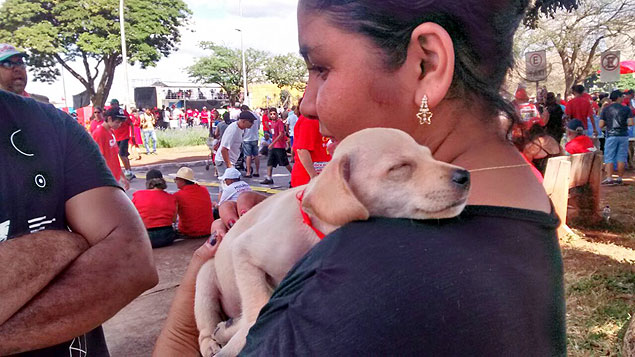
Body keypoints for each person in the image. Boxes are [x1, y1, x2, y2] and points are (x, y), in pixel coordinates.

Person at [157, 0, 565, 355]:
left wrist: (185, 314)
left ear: (427, 65)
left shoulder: (351, 281)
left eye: (320, 68)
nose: (307, 103)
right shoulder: (521, 204)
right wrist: (295, 213)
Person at [0, 90, 157, 355]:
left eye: (18, 60)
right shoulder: (92, 132)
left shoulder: (48, 125)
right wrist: (65, 243)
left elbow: (133, 261)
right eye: (7, 62)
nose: (16, 67)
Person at [132, 169, 177, 248]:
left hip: (147, 238)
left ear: (148, 182)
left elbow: (132, 217)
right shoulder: (171, 197)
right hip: (167, 237)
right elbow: (173, 220)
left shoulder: (138, 195)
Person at [290, 104, 332, 187]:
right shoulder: (309, 120)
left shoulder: (320, 119)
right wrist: (314, 177)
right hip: (308, 180)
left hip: (320, 176)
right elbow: (302, 150)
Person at [91, 107, 131, 190]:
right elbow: (98, 160)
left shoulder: (111, 131)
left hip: (113, 178)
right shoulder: (99, 134)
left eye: (121, 122)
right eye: (117, 122)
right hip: (106, 180)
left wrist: (122, 176)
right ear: (109, 119)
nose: (119, 125)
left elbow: (114, 157)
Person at [600, 90, 634, 185]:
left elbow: (601, 124)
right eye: (622, 96)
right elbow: (631, 123)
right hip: (623, 135)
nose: (623, 98)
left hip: (611, 135)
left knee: (609, 157)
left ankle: (609, 178)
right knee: (621, 157)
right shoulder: (626, 109)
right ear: (618, 97)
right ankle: (620, 178)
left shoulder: (606, 109)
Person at [173, 167, 213, 239]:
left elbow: (173, 218)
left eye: (176, 179)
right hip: (208, 230)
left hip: (189, 232)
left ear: (182, 180)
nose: (175, 182)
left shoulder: (177, 195)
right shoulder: (204, 189)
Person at [214, 111, 255, 180]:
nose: (252, 124)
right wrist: (229, 166)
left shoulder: (241, 129)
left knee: (232, 186)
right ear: (243, 121)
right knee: (227, 185)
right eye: (251, 121)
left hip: (230, 161)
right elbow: (224, 149)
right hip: (223, 161)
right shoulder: (233, 130)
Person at [260, 108, 293, 185]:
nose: (272, 116)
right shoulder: (271, 123)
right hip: (274, 145)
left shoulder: (279, 122)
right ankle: (269, 178)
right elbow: (273, 132)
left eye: (274, 114)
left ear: (277, 114)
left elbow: (281, 134)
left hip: (279, 146)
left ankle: (295, 176)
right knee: (270, 161)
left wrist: (272, 143)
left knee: (285, 162)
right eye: (271, 114)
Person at [109, 99, 135, 180]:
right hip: (115, 137)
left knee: (122, 154)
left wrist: (133, 135)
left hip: (124, 136)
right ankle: (129, 170)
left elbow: (131, 123)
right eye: (112, 104)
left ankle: (128, 171)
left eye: (115, 104)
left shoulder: (123, 112)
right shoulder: (111, 113)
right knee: (122, 154)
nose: (113, 106)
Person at [240, 105, 261, 178]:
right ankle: (257, 171)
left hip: (246, 138)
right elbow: (258, 127)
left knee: (248, 155)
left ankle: (248, 172)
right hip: (255, 137)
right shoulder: (257, 116)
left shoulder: (245, 117)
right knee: (256, 155)